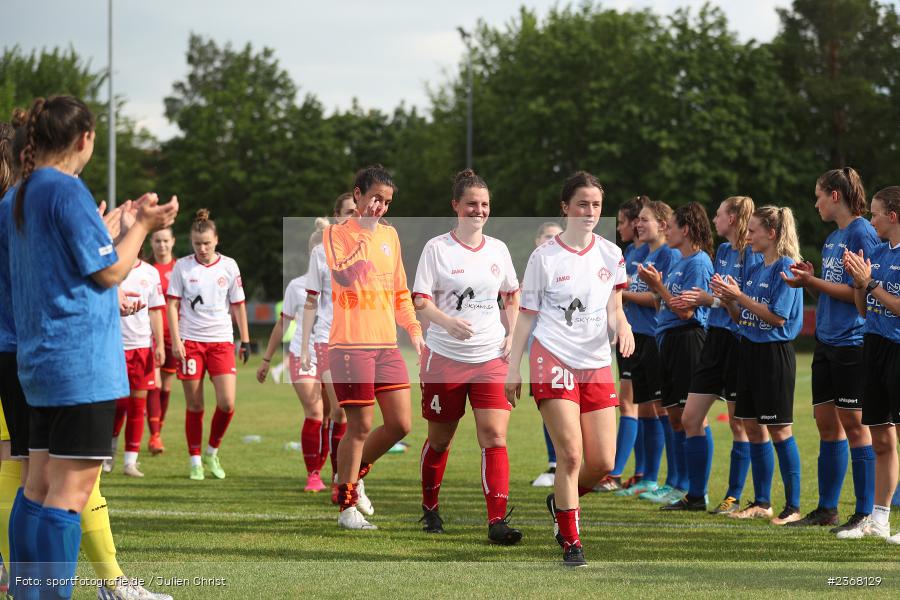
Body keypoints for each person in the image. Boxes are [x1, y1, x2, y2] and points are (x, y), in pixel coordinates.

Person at [5, 96, 177, 599]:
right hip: (78, 363)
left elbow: (67, 262)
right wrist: (142, 226)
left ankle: (26, 592)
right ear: (84, 139)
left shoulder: (21, 193)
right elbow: (107, 272)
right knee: (69, 494)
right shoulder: (65, 188)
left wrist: (111, 229)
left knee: (36, 488)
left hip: (37, 361)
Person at [506, 171, 634, 567]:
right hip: (553, 358)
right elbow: (525, 318)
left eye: (596, 204)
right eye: (582, 203)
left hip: (596, 363)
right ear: (565, 207)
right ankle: (571, 540)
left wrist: (624, 326)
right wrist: (513, 367)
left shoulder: (611, 254)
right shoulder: (544, 257)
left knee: (604, 463)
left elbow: (615, 307)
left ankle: (560, 501)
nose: (590, 211)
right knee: (572, 455)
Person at [412, 168, 522, 544]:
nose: (479, 210)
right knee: (441, 440)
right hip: (444, 357)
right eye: (472, 204)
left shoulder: (499, 249)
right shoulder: (436, 249)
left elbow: (512, 294)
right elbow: (420, 301)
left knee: (494, 435)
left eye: (485, 205)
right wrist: (448, 323)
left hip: (491, 356)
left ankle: (497, 521)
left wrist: (512, 333)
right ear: (456, 206)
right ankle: (430, 508)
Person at [322, 165, 424, 530]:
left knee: (400, 424)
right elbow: (341, 274)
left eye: (387, 202)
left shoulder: (391, 237)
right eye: (376, 198)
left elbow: (399, 290)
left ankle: (353, 475)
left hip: (385, 344)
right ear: (358, 195)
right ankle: (347, 507)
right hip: (350, 343)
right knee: (360, 425)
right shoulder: (335, 233)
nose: (380, 207)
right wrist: (363, 238)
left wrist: (413, 327)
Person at [782, 168, 879, 534]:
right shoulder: (832, 238)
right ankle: (827, 509)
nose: (816, 202)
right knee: (826, 424)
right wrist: (809, 279)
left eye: (819, 194)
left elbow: (862, 294)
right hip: (827, 340)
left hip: (852, 341)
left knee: (855, 426)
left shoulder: (862, 233)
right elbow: (833, 287)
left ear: (835, 195)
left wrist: (812, 280)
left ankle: (866, 512)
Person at [665, 197, 760, 512]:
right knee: (691, 417)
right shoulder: (722, 251)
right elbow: (717, 296)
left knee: (738, 424)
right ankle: (695, 496)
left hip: (736, 339)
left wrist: (711, 300)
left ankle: (732, 497)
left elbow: (740, 301)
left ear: (732, 218)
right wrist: (712, 300)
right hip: (714, 340)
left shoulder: (752, 254)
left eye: (719, 214)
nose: (714, 220)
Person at [712, 206, 804, 525]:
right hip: (748, 350)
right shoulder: (757, 267)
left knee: (779, 429)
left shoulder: (788, 266)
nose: (747, 236)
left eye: (753, 231)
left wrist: (740, 296)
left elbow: (777, 317)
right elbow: (744, 317)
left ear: (772, 234)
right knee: (751, 426)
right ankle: (762, 502)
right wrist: (728, 300)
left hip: (773, 355)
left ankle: (793, 507)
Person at [637, 202, 714, 507]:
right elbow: (666, 304)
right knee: (674, 415)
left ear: (686, 229)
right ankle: (680, 484)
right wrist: (656, 287)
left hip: (687, 340)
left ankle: (695, 490)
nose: (666, 231)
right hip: (667, 339)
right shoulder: (678, 261)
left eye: (670, 226)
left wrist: (657, 286)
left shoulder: (698, 262)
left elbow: (686, 312)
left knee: (690, 416)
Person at [167, 209, 250, 481]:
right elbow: (172, 303)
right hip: (190, 342)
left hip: (221, 342)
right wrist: (177, 339)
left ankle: (211, 451)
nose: (202, 249)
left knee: (227, 403)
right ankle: (194, 461)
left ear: (216, 240)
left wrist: (245, 340)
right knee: (195, 404)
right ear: (191, 243)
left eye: (206, 243)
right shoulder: (182, 266)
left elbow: (238, 305)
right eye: (196, 244)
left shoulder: (229, 265)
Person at [840, 186, 900, 542]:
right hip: (873, 347)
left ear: (892, 216)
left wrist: (872, 283)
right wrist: (859, 283)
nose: (870, 219)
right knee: (881, 440)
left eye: (875, 213)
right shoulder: (876, 252)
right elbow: (864, 310)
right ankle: (880, 520)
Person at [257, 222, 329, 493]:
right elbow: (282, 323)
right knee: (315, 411)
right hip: (303, 355)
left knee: (335, 415)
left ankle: (332, 471)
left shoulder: (341, 284)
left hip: (333, 354)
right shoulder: (297, 287)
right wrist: (266, 360)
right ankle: (313, 474)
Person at [614, 201, 679, 498]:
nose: (638, 225)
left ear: (662, 224)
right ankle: (648, 476)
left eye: (644, 220)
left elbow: (658, 299)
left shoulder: (669, 254)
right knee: (647, 409)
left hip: (655, 336)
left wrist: (620, 294)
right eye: (637, 220)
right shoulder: (640, 253)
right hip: (635, 336)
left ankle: (670, 479)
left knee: (662, 408)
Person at [300, 193, 357, 503]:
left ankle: (345, 478)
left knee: (355, 417)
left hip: (361, 341)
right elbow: (311, 301)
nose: (352, 217)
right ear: (336, 216)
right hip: (327, 339)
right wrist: (307, 344)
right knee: (339, 410)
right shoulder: (320, 253)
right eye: (347, 212)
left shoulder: (370, 249)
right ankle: (339, 481)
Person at [597, 196, 649, 491]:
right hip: (627, 335)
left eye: (622, 222)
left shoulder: (658, 253)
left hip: (644, 336)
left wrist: (618, 294)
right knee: (635, 405)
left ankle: (616, 474)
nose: (620, 228)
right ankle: (639, 473)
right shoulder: (628, 252)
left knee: (632, 404)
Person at [105, 256, 166, 477]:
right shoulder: (109, 268)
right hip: (114, 346)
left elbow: (156, 310)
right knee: (117, 404)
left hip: (142, 347)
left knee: (137, 406)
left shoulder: (150, 272)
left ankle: (131, 461)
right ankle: (108, 453)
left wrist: (159, 344)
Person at [530, 221, 563, 488]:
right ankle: (555, 463)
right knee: (548, 406)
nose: (553, 241)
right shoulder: (534, 269)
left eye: (557, 237)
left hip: (568, 350)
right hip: (540, 349)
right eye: (548, 236)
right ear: (537, 240)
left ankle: (565, 461)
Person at [147, 227, 178, 454]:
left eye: (165, 240)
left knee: (166, 385)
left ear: (173, 242)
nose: (162, 245)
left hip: (174, 337)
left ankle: (158, 430)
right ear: (151, 242)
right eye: (158, 241)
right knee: (154, 384)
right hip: (149, 335)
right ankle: (154, 436)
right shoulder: (148, 269)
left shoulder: (180, 268)